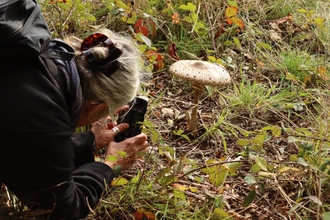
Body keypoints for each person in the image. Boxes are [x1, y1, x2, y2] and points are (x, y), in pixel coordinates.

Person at [0, 1, 148, 219]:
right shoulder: (41, 112)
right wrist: (111, 166)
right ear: (96, 104)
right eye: (109, 111)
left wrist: (89, 142)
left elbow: (28, 148)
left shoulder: (33, 51)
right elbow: (63, 207)